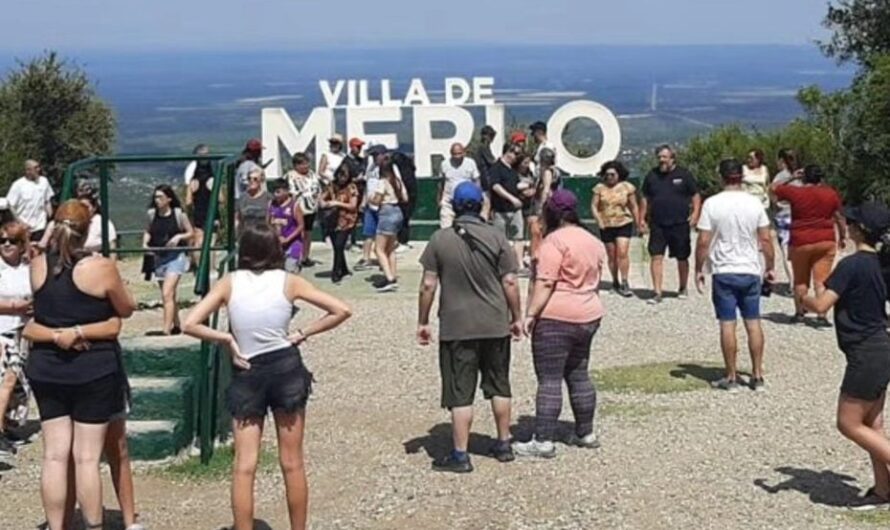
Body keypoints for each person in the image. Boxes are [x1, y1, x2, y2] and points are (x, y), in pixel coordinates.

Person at [183, 223, 351, 530]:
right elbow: (340, 309)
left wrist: (227, 340)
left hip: (247, 369)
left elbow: (189, 323)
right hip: (286, 366)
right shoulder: (289, 282)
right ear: (276, 249)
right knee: (292, 462)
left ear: (244, 251)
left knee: (244, 466)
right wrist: (301, 333)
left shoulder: (229, 283)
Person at [23, 199, 137, 530]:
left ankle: (56, 525)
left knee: (55, 455)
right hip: (92, 367)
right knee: (87, 458)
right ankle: (93, 525)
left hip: (46, 365)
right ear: (88, 231)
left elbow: (39, 310)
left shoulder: (37, 266)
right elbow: (126, 308)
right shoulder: (99, 267)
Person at [417, 182, 523, 472]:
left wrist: (423, 321)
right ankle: (504, 444)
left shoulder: (439, 239)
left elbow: (428, 284)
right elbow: (510, 282)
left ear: (453, 206)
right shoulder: (498, 237)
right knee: (499, 384)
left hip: (457, 325)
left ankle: (460, 455)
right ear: (481, 205)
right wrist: (517, 317)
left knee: (461, 391)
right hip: (494, 322)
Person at [802, 202, 890, 510]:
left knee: (848, 423)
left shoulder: (852, 265)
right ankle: (883, 491)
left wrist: (801, 294)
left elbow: (822, 305)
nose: (846, 226)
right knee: (872, 425)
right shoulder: (879, 262)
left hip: (866, 354)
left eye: (850, 222)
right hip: (880, 347)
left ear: (857, 229)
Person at [513, 189, 606, 458]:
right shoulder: (592, 240)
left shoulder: (554, 242)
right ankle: (585, 432)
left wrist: (530, 314)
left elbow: (545, 282)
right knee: (579, 374)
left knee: (550, 378)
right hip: (588, 313)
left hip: (557, 315)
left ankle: (543, 439)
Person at [694, 159, 775, 392]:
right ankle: (757, 374)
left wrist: (699, 268)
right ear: (741, 176)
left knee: (727, 324)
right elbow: (766, 239)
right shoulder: (754, 203)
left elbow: (703, 241)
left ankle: (730, 376)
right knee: (753, 322)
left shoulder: (712, 204)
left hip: (724, 270)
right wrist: (769, 265)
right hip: (749, 268)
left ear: (721, 177)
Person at [772, 164, 845, 325]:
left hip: (801, 240)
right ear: (821, 178)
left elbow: (774, 188)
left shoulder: (796, 192)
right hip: (826, 239)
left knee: (800, 280)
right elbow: (839, 216)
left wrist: (792, 177)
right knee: (821, 280)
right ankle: (822, 314)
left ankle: (799, 313)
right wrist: (843, 236)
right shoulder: (831, 194)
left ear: (804, 177)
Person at [639, 145, 702, 304]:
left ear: (673, 158)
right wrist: (641, 219)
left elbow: (695, 195)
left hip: (679, 223)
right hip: (658, 224)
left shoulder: (684, 174)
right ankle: (657, 292)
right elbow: (645, 199)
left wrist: (695, 214)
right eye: (659, 157)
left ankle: (682, 287)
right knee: (656, 256)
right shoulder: (651, 175)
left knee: (682, 257)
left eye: (664, 157)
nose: (661, 160)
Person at [0, 222, 33, 456]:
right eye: (2, 241)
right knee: (8, 381)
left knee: (18, 385)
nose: (6, 245)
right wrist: (15, 306)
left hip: (24, 332)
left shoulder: (29, 269)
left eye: (12, 240)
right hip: (2, 332)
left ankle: (8, 425)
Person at [143, 185, 194, 335]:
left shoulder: (179, 214)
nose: (157, 200)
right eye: (155, 197)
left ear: (169, 199)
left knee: (167, 293)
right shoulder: (152, 214)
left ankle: (166, 330)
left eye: (160, 197)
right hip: (159, 257)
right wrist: (145, 244)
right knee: (169, 295)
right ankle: (177, 324)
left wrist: (178, 237)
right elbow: (147, 230)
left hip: (175, 257)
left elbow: (190, 232)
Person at [592, 160, 639, 297]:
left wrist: (638, 221)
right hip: (606, 224)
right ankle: (615, 280)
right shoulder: (599, 188)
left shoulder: (627, 187)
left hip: (624, 222)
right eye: (607, 175)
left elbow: (633, 205)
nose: (610, 177)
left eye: (612, 174)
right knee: (612, 255)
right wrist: (598, 220)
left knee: (622, 252)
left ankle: (625, 281)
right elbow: (594, 206)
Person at [371, 156, 408, 292]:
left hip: (386, 212)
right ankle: (392, 274)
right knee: (390, 248)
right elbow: (405, 198)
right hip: (397, 211)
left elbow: (377, 200)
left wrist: (371, 198)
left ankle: (389, 279)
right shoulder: (397, 181)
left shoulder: (382, 182)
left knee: (378, 249)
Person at [319, 164, 359, 283]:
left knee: (339, 245)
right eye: (341, 175)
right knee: (337, 246)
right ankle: (344, 268)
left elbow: (353, 205)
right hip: (332, 219)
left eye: (345, 176)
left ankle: (336, 272)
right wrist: (323, 203)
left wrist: (336, 203)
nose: (342, 178)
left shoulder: (352, 187)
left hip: (346, 219)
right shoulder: (331, 185)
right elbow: (321, 198)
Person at [488, 144, 526, 269]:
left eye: (518, 154)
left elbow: (513, 186)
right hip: (501, 210)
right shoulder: (496, 167)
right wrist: (512, 198)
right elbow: (496, 186)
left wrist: (526, 186)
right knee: (500, 240)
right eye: (515, 153)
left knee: (518, 238)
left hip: (515, 210)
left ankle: (519, 265)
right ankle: (501, 266)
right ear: (507, 152)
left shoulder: (513, 169)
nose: (516, 157)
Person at [770, 148, 801, 291]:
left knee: (786, 252)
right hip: (799, 216)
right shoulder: (803, 176)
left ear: (781, 160)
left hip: (784, 216)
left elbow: (773, 191)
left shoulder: (781, 177)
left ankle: (792, 284)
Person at [287, 153, 323, 268]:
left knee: (308, 233)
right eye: (302, 164)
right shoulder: (290, 176)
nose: (306, 166)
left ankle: (305, 257)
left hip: (311, 208)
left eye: (307, 163)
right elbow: (290, 193)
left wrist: (318, 200)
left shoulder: (312, 174)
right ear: (296, 165)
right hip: (298, 208)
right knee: (297, 232)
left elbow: (318, 189)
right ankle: (294, 256)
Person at [184, 144, 217, 268]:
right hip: (213, 213)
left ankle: (199, 268)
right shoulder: (213, 179)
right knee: (211, 243)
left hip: (198, 213)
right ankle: (211, 269)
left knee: (198, 242)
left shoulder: (192, 180)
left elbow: (188, 202)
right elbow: (221, 199)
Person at [7, 159, 54, 243]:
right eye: (35, 168)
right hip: (24, 227)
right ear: (28, 170)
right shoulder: (18, 185)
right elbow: (11, 206)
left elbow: (47, 200)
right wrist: (20, 223)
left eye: (38, 167)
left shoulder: (44, 181)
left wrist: (50, 215)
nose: (38, 170)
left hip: (40, 225)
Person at [355, 145, 386, 271]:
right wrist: (363, 202)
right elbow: (368, 185)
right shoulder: (371, 166)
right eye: (372, 155)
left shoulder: (388, 168)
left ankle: (383, 259)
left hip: (383, 205)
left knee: (383, 235)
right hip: (370, 205)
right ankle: (366, 258)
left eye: (376, 155)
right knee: (368, 233)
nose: (374, 158)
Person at [438, 143, 481, 229]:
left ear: (464, 153)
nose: (457, 156)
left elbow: (476, 181)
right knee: (445, 228)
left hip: (467, 204)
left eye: (459, 153)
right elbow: (441, 183)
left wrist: (478, 197)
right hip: (448, 202)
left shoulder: (470, 163)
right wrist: (439, 199)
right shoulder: (444, 164)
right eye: (455, 154)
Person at [269, 180, 305, 274]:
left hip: (293, 244)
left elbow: (301, 226)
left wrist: (288, 239)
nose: (275, 195)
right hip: (276, 245)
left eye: (278, 192)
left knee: (290, 271)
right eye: (274, 192)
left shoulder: (294, 205)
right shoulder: (271, 204)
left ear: (286, 191)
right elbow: (267, 223)